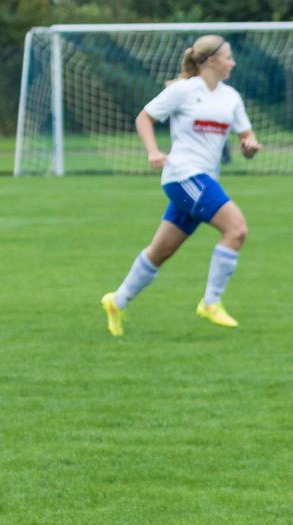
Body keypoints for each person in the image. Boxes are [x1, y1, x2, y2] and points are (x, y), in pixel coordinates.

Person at [100, 34, 261, 336]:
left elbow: (245, 139)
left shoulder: (231, 98)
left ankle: (116, 301)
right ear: (211, 61)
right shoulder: (184, 91)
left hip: (202, 180)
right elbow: (144, 117)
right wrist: (152, 151)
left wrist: (249, 147)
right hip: (183, 175)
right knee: (236, 229)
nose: (232, 62)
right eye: (228, 57)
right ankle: (211, 303)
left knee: (160, 251)